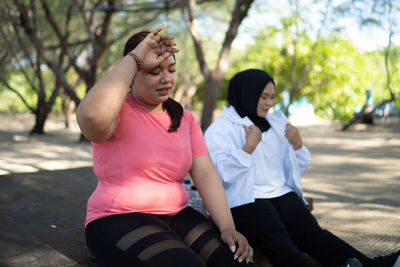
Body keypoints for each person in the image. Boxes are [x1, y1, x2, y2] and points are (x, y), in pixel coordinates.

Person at [76, 26, 255, 267]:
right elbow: (91, 117)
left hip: (177, 214)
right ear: (132, 74)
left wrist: (227, 227)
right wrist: (135, 57)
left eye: (171, 69)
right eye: (153, 71)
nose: (166, 78)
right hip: (116, 218)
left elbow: (204, 173)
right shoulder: (115, 111)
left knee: (236, 261)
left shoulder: (185, 118)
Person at [204, 68, 400, 267]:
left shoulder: (276, 121)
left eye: (272, 97)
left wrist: (297, 144)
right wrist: (248, 148)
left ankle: (373, 265)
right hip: (245, 197)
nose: (269, 103)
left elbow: (297, 166)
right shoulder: (221, 129)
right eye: (263, 97)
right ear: (247, 93)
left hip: (279, 191)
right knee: (276, 237)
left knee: (312, 234)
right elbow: (219, 176)